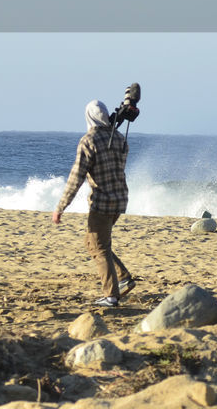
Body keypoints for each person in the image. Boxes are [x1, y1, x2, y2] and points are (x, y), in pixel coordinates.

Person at [52, 99, 136, 307]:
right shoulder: (118, 138)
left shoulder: (88, 141)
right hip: (119, 199)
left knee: (98, 248)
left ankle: (111, 296)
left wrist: (61, 207)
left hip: (102, 202)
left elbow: (76, 177)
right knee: (94, 243)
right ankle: (123, 277)